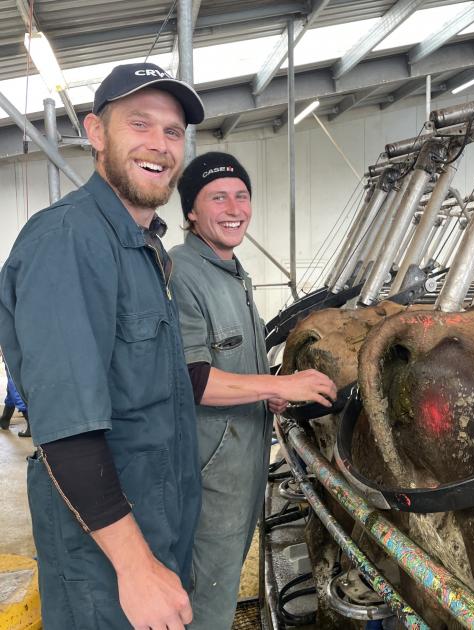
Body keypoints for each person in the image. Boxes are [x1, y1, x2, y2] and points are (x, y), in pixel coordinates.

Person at [0, 63, 205, 630]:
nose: (160, 145)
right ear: (96, 132)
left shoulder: (145, 250)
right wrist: (135, 567)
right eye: (139, 124)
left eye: (172, 131)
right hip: (104, 562)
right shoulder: (68, 239)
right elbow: (68, 428)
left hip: (155, 531)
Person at [170, 151, 337, 629]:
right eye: (217, 197)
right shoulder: (184, 274)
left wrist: (267, 394)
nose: (233, 207)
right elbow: (193, 379)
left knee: (220, 582)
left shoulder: (233, 271)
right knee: (207, 594)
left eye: (241, 195)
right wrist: (281, 382)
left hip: (241, 467)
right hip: (210, 473)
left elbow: (232, 361)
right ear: (191, 213)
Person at [1, 354, 30, 437]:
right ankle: (5, 419)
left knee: (14, 384)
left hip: (13, 351)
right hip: (18, 350)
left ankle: (30, 425)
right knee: (12, 386)